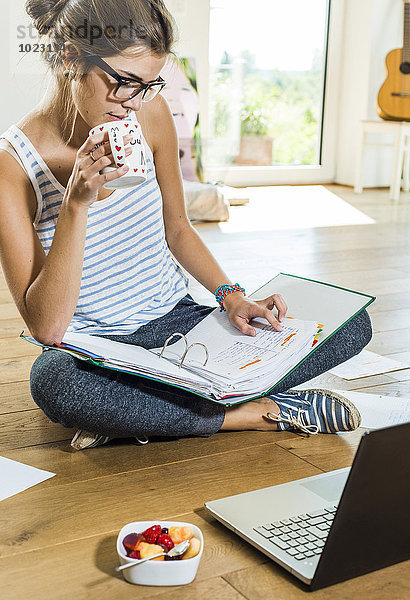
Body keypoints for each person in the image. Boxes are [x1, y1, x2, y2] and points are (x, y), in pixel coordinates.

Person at [0, 0, 372, 450]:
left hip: (180, 326)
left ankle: (149, 414)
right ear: (70, 57)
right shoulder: (13, 165)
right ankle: (253, 413)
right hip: (98, 353)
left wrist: (230, 296)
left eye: (149, 86)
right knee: (56, 385)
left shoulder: (149, 115)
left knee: (352, 323)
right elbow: (48, 329)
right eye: (122, 83)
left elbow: (177, 228)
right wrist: (76, 205)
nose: (133, 103)